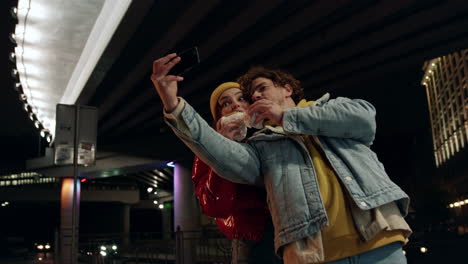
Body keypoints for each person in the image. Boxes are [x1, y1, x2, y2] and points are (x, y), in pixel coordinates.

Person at [151, 53, 412, 263]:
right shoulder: (263, 146)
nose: (254, 98)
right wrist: (173, 103)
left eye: (260, 89)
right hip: (311, 255)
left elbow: (364, 118)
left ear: (287, 88)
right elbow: (222, 157)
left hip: (379, 241)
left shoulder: (330, 109)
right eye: (251, 96)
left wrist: (285, 117)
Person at [191, 81, 280, 263]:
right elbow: (214, 206)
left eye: (241, 98)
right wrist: (223, 149)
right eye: (225, 103)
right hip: (254, 238)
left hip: (295, 231)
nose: (235, 104)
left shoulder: (274, 132)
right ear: (219, 118)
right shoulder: (209, 149)